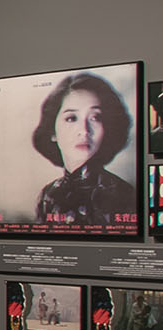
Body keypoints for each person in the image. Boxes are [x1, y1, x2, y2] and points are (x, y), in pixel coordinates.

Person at [31, 72, 136, 226]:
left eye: (95, 117)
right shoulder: (48, 195)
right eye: (71, 118)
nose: (84, 130)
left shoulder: (123, 195)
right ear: (52, 131)